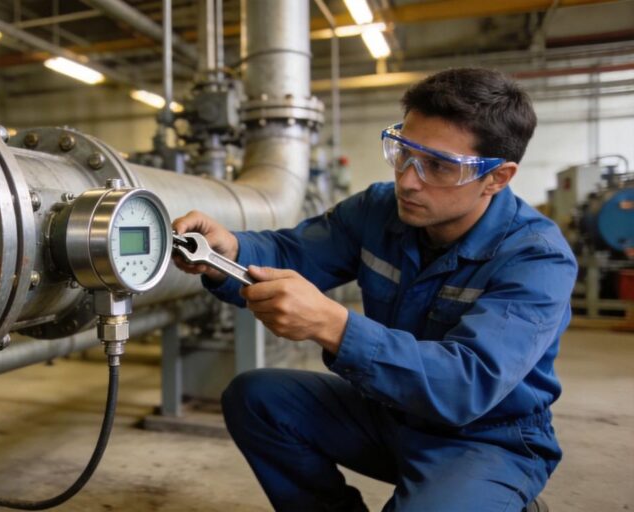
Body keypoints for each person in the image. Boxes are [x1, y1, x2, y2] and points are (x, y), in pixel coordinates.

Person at [172, 68, 575, 512]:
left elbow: (467, 385)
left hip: (486, 437)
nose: (408, 180)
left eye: (438, 166)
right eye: (404, 152)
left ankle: (498, 497)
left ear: (497, 177)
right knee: (257, 399)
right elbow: (291, 253)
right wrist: (227, 251)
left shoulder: (537, 258)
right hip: (391, 411)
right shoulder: (379, 210)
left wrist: (336, 327)